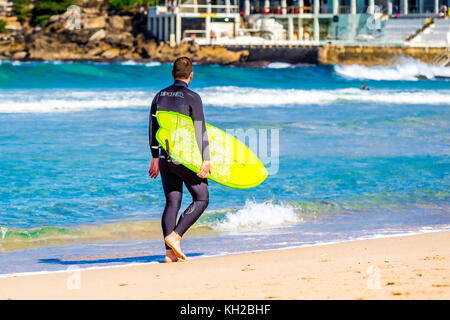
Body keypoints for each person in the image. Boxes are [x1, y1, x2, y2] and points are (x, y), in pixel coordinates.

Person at [148, 57, 211, 263]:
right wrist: (206, 159)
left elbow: (153, 129)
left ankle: (169, 254)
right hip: (185, 158)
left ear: (172, 74)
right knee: (201, 199)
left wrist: (155, 157)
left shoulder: (159, 95)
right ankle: (175, 236)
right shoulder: (193, 96)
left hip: (166, 157)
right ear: (191, 75)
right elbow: (200, 129)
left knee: (172, 201)